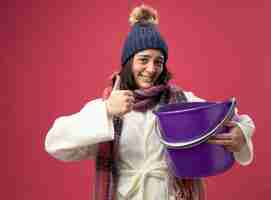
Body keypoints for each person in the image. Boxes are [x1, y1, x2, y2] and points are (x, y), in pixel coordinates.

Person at [44, 4, 255, 200]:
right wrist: (107, 111)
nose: (152, 69)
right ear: (129, 63)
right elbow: (55, 143)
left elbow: (233, 117)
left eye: (159, 62)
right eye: (143, 60)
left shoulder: (181, 103)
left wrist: (241, 134)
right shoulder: (108, 106)